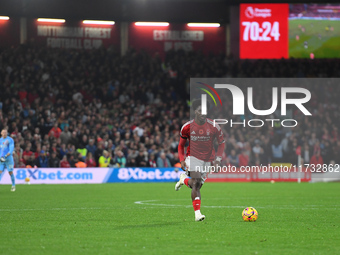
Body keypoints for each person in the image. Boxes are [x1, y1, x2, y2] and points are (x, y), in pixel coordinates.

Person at [175, 99, 225, 221]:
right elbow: (181, 145)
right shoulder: (187, 127)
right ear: (195, 111)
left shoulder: (214, 126)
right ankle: (197, 214)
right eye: (200, 110)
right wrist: (182, 160)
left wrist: (218, 160)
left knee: (197, 186)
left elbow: (221, 143)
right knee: (196, 182)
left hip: (208, 159)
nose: (203, 113)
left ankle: (183, 180)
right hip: (193, 157)